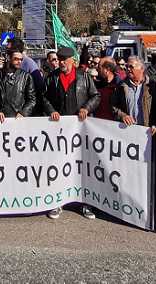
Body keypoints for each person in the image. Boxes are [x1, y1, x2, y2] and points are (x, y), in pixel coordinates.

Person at [43, 46, 99, 220]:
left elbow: (95, 96)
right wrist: (51, 110)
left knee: (82, 166)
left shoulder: (84, 77)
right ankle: (57, 202)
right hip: (59, 131)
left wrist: (86, 108)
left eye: (64, 60)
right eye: (59, 60)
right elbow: (43, 97)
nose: (60, 63)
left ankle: (86, 203)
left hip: (79, 130)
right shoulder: (51, 78)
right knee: (58, 165)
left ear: (72, 61)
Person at [113, 56, 156, 228]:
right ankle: (132, 208)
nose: (127, 69)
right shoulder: (121, 86)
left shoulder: (154, 87)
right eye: (127, 67)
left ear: (141, 69)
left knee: (155, 177)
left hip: (150, 138)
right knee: (130, 175)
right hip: (130, 140)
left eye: (131, 67)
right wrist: (123, 115)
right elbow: (113, 107)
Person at [0, 46, 36, 122]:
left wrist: (23, 113)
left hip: (19, 119)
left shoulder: (26, 77)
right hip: (0, 120)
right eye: (16, 59)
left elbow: (32, 99)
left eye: (21, 59)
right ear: (8, 58)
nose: (19, 62)